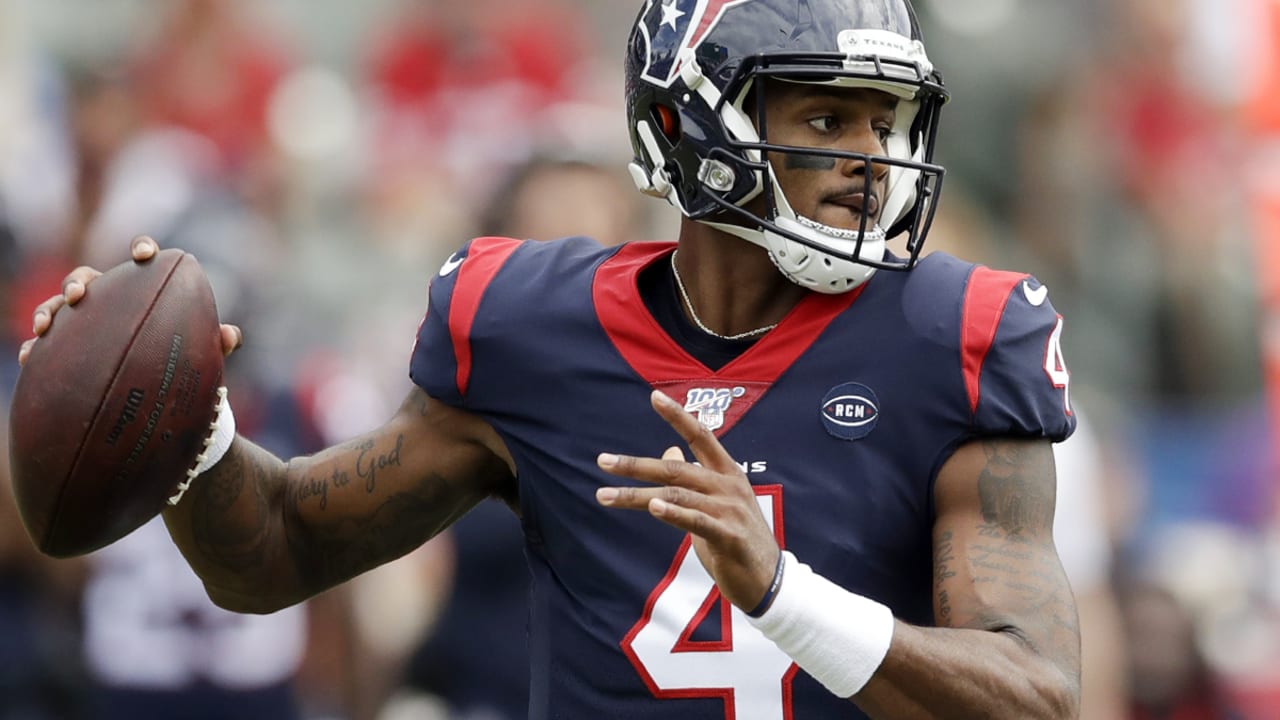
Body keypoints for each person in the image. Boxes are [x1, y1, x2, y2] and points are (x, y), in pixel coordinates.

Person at [20, 1, 1082, 718]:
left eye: (882, 125)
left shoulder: (955, 335)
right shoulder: (530, 328)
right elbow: (275, 553)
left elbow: (1033, 694)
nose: (866, 165)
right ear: (684, 125)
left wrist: (780, 593)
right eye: (824, 117)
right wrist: (190, 426)